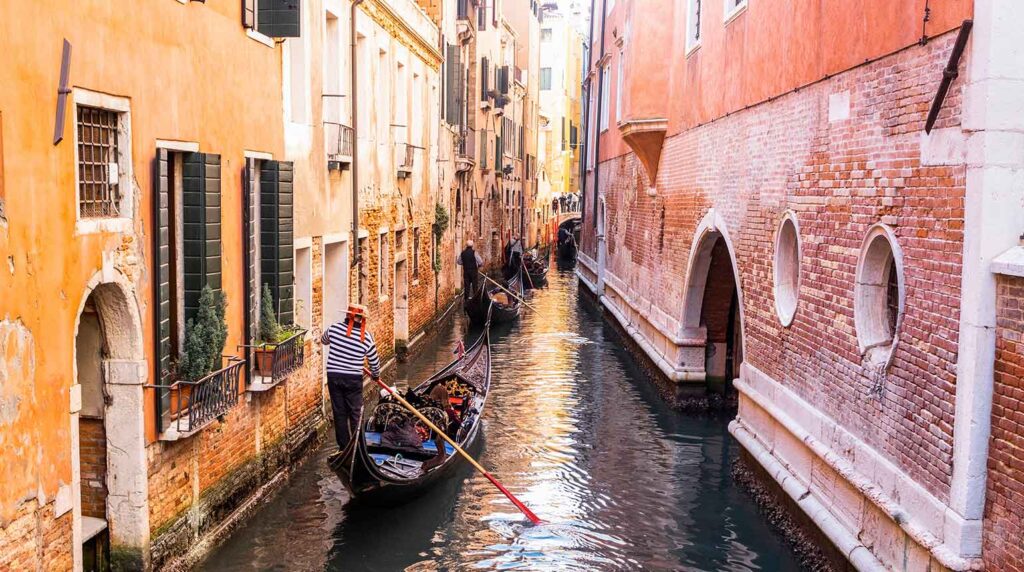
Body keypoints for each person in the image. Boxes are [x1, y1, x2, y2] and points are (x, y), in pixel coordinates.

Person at [319, 303, 381, 451]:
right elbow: (374, 360)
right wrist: (375, 375)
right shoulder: (366, 337)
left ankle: (344, 447)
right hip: (353, 378)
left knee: (339, 412)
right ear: (362, 319)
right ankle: (358, 446)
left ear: (348, 315)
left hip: (334, 376)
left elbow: (324, 340)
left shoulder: (334, 329)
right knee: (356, 413)